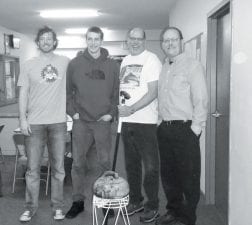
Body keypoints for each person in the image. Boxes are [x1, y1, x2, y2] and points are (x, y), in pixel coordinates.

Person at [66, 26, 120, 219]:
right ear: (86, 40)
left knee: (104, 163)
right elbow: (68, 93)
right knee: (78, 164)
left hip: (102, 122)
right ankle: (78, 201)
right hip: (81, 123)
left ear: (101, 40)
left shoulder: (112, 65)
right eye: (90, 39)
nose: (93, 42)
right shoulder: (74, 64)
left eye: (97, 39)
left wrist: (111, 114)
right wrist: (73, 113)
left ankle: (106, 202)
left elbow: (116, 94)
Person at [156, 27, 208, 225]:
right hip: (165, 129)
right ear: (162, 44)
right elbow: (163, 97)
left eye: (174, 39)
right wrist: (160, 122)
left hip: (185, 129)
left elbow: (201, 98)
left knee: (188, 176)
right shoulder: (165, 67)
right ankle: (173, 211)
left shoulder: (192, 66)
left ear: (181, 42)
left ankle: (188, 218)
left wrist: (196, 127)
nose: (170, 43)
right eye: (166, 40)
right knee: (169, 175)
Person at [17, 26, 70, 222]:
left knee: (58, 169)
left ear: (55, 42)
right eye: (43, 38)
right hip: (35, 124)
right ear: (38, 42)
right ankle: (30, 208)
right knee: (32, 169)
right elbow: (23, 93)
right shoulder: (28, 65)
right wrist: (22, 118)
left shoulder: (65, 62)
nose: (46, 41)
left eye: (50, 38)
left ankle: (58, 207)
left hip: (58, 123)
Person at [118, 27, 162, 223]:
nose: (135, 41)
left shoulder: (151, 60)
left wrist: (132, 109)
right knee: (131, 165)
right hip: (127, 123)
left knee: (151, 167)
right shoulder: (126, 61)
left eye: (139, 38)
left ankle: (153, 206)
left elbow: (153, 92)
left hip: (145, 122)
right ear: (127, 40)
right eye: (131, 38)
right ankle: (136, 201)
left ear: (144, 40)